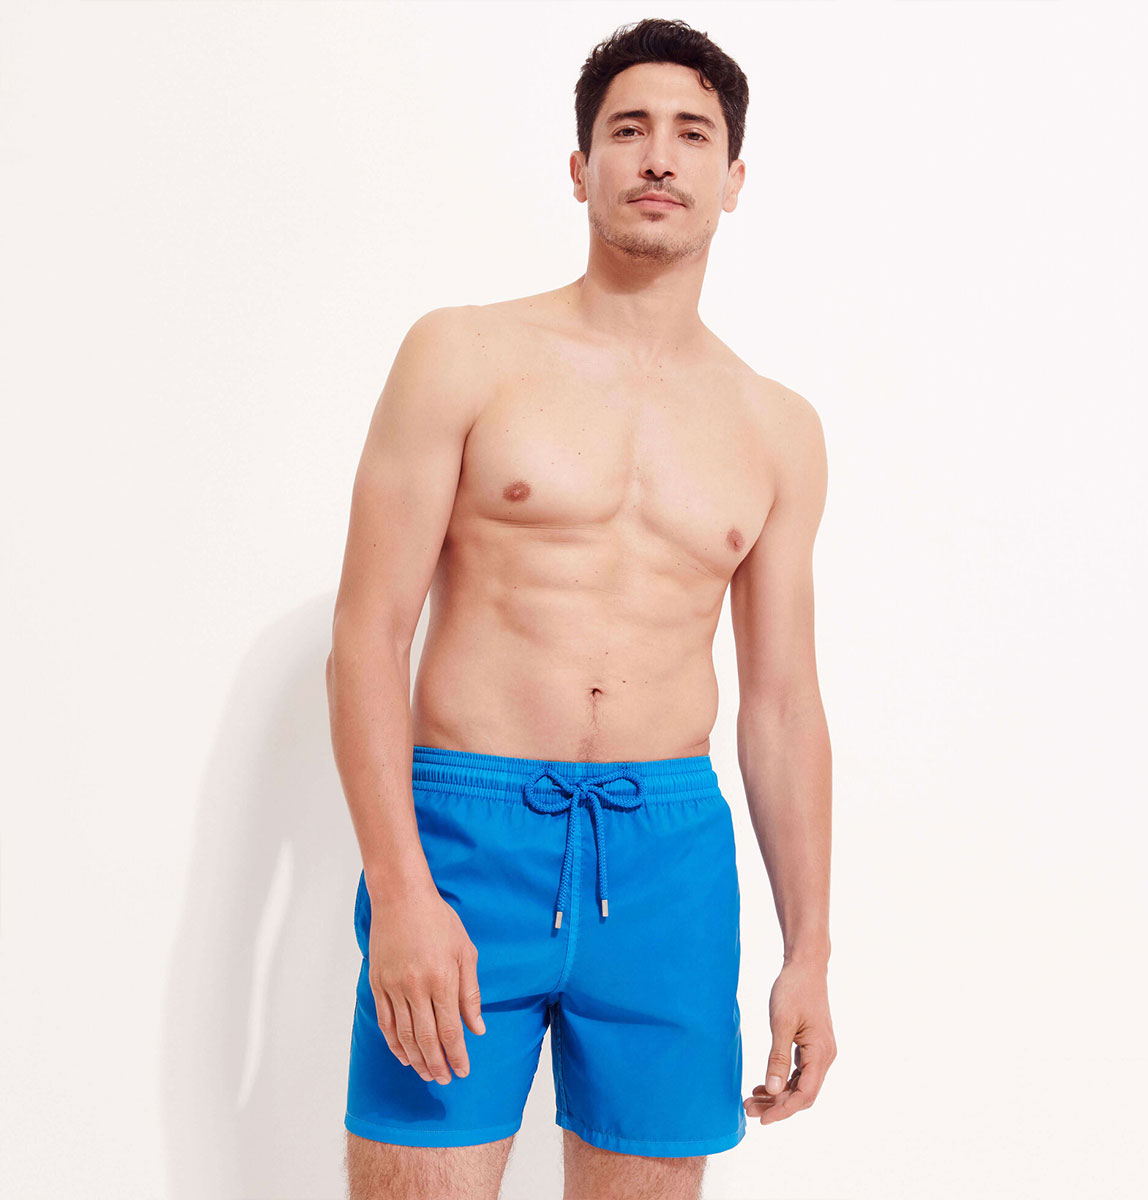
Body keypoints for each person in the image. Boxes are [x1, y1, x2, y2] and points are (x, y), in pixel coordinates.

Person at [326, 17, 835, 1200]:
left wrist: (809, 949)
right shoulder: (462, 355)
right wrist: (399, 889)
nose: (658, 156)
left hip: (669, 859)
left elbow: (781, 705)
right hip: (467, 839)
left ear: (733, 178)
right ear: (580, 167)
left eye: (692, 134)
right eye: (629, 129)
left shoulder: (779, 429)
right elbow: (367, 637)